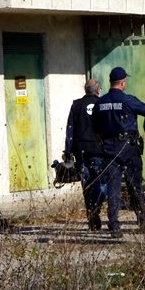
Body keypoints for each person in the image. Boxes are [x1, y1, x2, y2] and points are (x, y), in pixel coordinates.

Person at [91, 66, 145, 237]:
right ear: (123, 83)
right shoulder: (128, 100)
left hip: (109, 148)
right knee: (135, 185)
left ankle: (114, 225)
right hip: (128, 148)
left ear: (111, 82)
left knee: (113, 187)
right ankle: (144, 220)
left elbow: (95, 127)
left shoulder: (100, 102)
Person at [64, 78, 106, 230]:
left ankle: (91, 215)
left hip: (80, 151)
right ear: (98, 90)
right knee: (101, 184)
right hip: (99, 151)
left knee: (86, 185)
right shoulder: (103, 104)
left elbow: (70, 130)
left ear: (85, 90)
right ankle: (95, 209)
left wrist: (68, 151)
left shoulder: (76, 105)